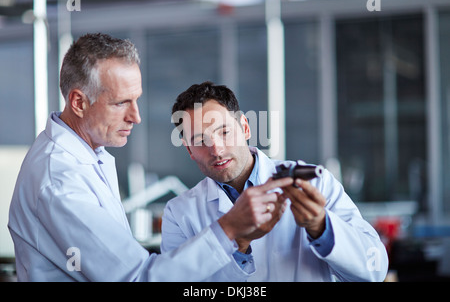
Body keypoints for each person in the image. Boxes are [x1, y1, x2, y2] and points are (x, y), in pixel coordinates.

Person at [8, 34, 293, 282]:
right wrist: (230, 229)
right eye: (121, 103)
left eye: (136, 100)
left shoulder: (89, 154)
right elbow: (136, 278)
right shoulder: (59, 179)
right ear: (79, 102)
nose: (136, 116)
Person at [162, 81, 389, 282]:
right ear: (189, 149)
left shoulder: (315, 183)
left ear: (245, 127)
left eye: (224, 132)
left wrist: (322, 228)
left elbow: (374, 270)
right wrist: (239, 244)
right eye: (200, 140)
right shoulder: (180, 213)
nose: (217, 150)